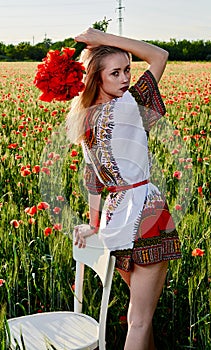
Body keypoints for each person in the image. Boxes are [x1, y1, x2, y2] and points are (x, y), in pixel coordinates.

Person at [66, 28, 181, 350]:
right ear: (95, 78)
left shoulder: (85, 120)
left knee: (140, 315)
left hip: (117, 219)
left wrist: (95, 224)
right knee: (140, 320)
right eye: (115, 72)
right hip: (147, 213)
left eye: (127, 70)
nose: (126, 78)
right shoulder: (130, 106)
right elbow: (159, 55)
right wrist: (103, 37)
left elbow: (93, 179)